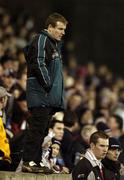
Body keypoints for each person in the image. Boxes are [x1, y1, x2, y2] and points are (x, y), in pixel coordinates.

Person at [22, 13, 68, 173]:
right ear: (50, 28)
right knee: (36, 129)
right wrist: (48, 85)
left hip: (48, 97)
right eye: (60, 29)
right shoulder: (41, 39)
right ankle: (28, 161)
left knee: (42, 130)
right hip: (41, 94)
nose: (63, 32)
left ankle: (35, 161)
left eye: (64, 29)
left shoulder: (54, 44)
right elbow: (38, 63)